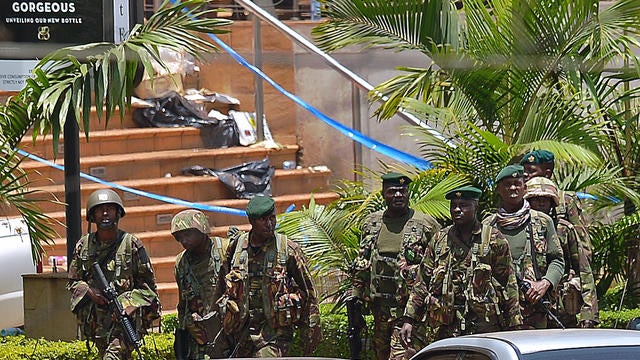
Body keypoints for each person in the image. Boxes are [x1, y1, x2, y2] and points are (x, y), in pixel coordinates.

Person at [400, 186, 522, 343]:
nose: (457, 210)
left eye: (463, 205)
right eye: (454, 206)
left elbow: (509, 283)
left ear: (476, 206)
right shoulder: (439, 240)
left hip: (484, 327)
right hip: (446, 327)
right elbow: (422, 281)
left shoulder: (494, 239)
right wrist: (409, 318)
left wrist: (515, 325)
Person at [215, 195, 322, 357]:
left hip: (274, 334)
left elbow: (309, 292)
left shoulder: (287, 249)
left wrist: (311, 331)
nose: (270, 224)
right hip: (240, 334)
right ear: (252, 221)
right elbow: (221, 287)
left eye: (272, 218)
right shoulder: (236, 247)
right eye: (263, 220)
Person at [349, 172, 440, 360]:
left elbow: (438, 263)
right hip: (379, 310)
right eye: (392, 191)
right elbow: (362, 263)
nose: (398, 195)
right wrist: (355, 298)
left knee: (401, 356)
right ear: (383, 194)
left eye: (402, 191)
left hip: (409, 311)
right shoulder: (371, 223)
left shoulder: (425, 224)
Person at [67, 189, 160, 359]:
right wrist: (90, 292)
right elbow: (72, 282)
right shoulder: (84, 246)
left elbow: (149, 290)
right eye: (99, 209)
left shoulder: (131, 244)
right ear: (92, 216)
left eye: (110, 208)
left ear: (118, 213)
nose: (105, 213)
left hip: (125, 321)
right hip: (98, 324)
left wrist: (127, 304)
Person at [520, 149, 599, 327]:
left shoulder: (565, 204)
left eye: (531, 170)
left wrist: (589, 313)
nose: (525, 174)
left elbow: (583, 254)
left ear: (547, 172)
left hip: (560, 288)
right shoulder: (518, 200)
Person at [483, 165, 564, 329]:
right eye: (507, 184)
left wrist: (544, 283)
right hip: (497, 310)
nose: (512, 188)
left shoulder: (542, 222)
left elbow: (557, 260)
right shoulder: (487, 226)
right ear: (498, 189)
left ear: (524, 188)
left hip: (534, 308)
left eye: (516, 183)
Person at [172, 209, 230, 359]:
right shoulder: (181, 263)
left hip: (228, 328)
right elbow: (182, 303)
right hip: (199, 335)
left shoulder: (225, 250)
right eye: (179, 237)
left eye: (187, 234)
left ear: (202, 229)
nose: (183, 241)